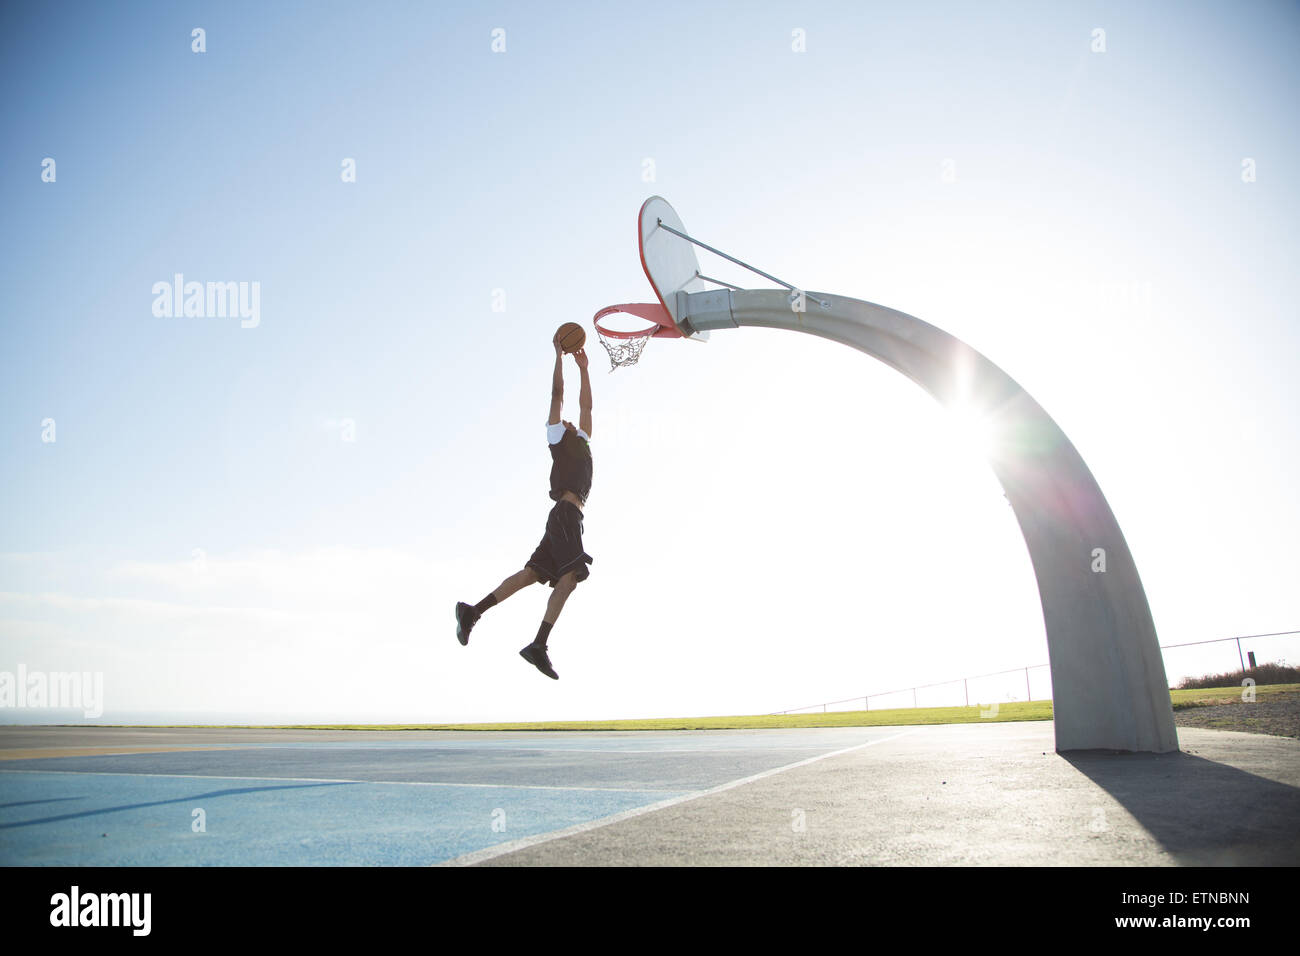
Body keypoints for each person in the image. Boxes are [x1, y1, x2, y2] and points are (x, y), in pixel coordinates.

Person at [454, 333, 593, 679]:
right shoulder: (558, 438)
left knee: (532, 574)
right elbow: (558, 395)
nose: (571, 421)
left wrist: (585, 368)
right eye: (565, 421)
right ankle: (539, 645)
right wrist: (559, 356)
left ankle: (473, 612)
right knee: (571, 576)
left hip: (565, 518)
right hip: (565, 515)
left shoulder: (581, 441)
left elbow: (587, 407)